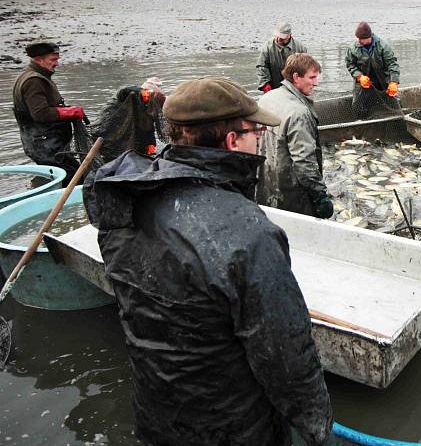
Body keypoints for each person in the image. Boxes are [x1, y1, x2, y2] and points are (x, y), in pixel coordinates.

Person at [83, 77, 333, 446]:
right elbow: (285, 357)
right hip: (232, 427)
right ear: (233, 141)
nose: (260, 139)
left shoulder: (123, 196)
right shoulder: (249, 234)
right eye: (255, 132)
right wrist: (317, 427)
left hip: (156, 412)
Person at [257, 54, 334, 219]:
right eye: (312, 77)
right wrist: (320, 195)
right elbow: (304, 162)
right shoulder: (299, 113)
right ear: (296, 77)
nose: (316, 82)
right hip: (291, 193)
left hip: (266, 184)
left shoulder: (267, 98)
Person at [12, 40, 85, 183]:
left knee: (64, 177)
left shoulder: (33, 75)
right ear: (39, 60)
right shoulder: (33, 80)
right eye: (53, 60)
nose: (57, 63)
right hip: (45, 147)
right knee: (76, 180)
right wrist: (71, 112)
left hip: (43, 145)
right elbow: (40, 113)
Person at [345, 21, 400, 119]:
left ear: (370, 37)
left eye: (362, 39)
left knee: (394, 101)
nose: (360, 41)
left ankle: (395, 118)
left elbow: (392, 64)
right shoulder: (353, 48)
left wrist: (394, 82)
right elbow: (350, 64)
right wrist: (359, 76)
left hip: (382, 79)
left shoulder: (383, 46)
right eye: (359, 39)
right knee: (357, 105)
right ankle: (360, 123)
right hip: (364, 82)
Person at [256, 20, 307, 93]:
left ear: (289, 35)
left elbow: (305, 68)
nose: (279, 39)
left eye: (282, 37)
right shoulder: (267, 47)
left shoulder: (300, 47)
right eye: (278, 36)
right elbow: (261, 66)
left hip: (293, 86)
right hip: (273, 86)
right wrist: (264, 83)